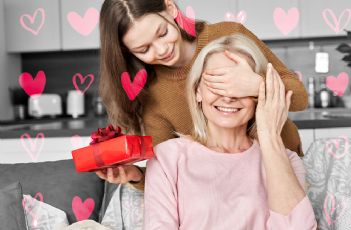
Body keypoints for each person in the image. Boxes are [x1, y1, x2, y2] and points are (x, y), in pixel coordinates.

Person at [96, 0, 307, 188]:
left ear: (170, 8)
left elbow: (300, 98)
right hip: (230, 190)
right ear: (127, 51)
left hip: (287, 169)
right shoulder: (153, 94)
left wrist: (256, 85)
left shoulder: (229, 35)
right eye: (144, 49)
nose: (161, 50)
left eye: (162, 33)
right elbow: (166, 173)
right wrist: (135, 176)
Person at [143, 34, 317, 229]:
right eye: (217, 83)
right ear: (197, 91)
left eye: (240, 86)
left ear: (258, 94)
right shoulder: (167, 158)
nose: (228, 97)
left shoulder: (288, 161)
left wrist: (269, 136)